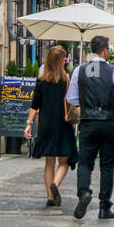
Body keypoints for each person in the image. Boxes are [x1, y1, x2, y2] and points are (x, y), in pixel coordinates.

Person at [66, 35, 114, 220]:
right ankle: (104, 207)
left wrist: (85, 104)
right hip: (110, 123)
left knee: (85, 162)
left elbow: (71, 98)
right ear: (104, 50)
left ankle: (84, 192)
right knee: (107, 166)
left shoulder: (80, 70)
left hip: (88, 122)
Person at [24, 44, 77, 207]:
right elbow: (72, 101)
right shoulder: (66, 79)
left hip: (46, 124)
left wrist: (29, 124)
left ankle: (50, 197)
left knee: (49, 162)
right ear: (62, 61)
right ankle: (55, 184)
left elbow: (35, 105)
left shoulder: (41, 81)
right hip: (62, 123)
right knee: (64, 162)